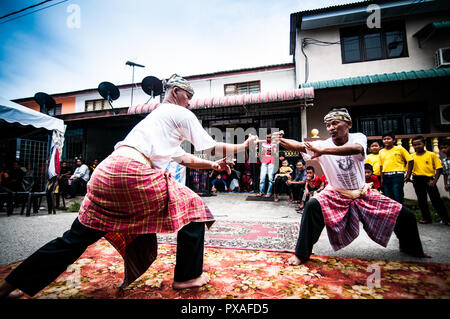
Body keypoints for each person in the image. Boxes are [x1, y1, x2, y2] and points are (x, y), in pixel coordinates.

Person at [0, 74, 257, 299]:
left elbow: (184, 158)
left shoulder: (156, 122)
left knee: (74, 239)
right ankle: (187, 276)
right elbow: (210, 146)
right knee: (195, 208)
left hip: (105, 173)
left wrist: (212, 167)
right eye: (188, 96)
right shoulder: (179, 112)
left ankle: (14, 282)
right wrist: (243, 147)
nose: (190, 102)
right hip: (130, 173)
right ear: (176, 92)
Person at [272, 107, 431, 266]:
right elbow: (299, 145)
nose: (331, 128)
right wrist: (280, 140)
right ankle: (301, 254)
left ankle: (411, 248)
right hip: (335, 193)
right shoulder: (322, 144)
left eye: (335, 123)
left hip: (362, 192)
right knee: (312, 206)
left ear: (348, 124)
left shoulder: (358, 138)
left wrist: (323, 150)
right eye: (328, 125)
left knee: (405, 215)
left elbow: (356, 149)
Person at [410, 136, 449, 225]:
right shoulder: (411, 156)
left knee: (436, 200)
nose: (417, 146)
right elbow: (409, 168)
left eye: (419, 144)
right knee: (421, 200)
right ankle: (426, 218)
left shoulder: (431, 154)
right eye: (414, 145)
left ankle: (446, 219)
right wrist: (410, 178)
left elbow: (439, 169)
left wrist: (434, 180)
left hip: (429, 180)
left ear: (424, 144)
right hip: (417, 180)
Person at [379, 132, 413, 205]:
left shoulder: (399, 149)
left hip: (397, 175)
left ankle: (401, 214)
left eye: (388, 139)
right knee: (388, 197)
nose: (386, 140)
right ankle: (392, 214)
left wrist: (408, 175)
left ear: (393, 140)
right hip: (386, 176)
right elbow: (381, 166)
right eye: (384, 139)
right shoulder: (381, 151)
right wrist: (382, 178)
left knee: (398, 195)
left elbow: (410, 160)